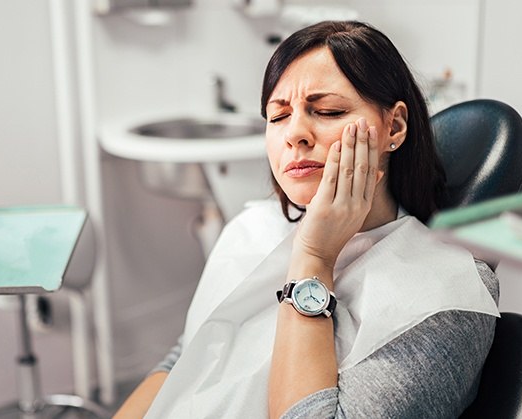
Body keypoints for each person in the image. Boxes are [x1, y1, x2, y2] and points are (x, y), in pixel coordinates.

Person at [114, 20, 499, 419]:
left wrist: (314, 257)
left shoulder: (447, 296)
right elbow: (185, 359)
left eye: (328, 110)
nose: (294, 133)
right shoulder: (251, 231)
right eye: (277, 117)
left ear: (394, 127)